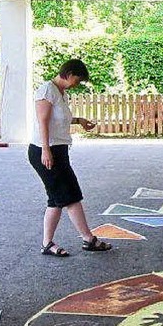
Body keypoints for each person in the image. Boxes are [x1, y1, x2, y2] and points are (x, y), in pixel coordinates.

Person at [28, 59, 111, 257]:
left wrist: (79, 121)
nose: (77, 83)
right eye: (78, 79)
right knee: (71, 196)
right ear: (69, 73)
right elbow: (43, 122)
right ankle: (88, 239)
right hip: (45, 151)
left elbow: (59, 118)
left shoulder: (60, 93)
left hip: (58, 151)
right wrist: (46, 150)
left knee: (55, 199)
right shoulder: (47, 90)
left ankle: (47, 243)